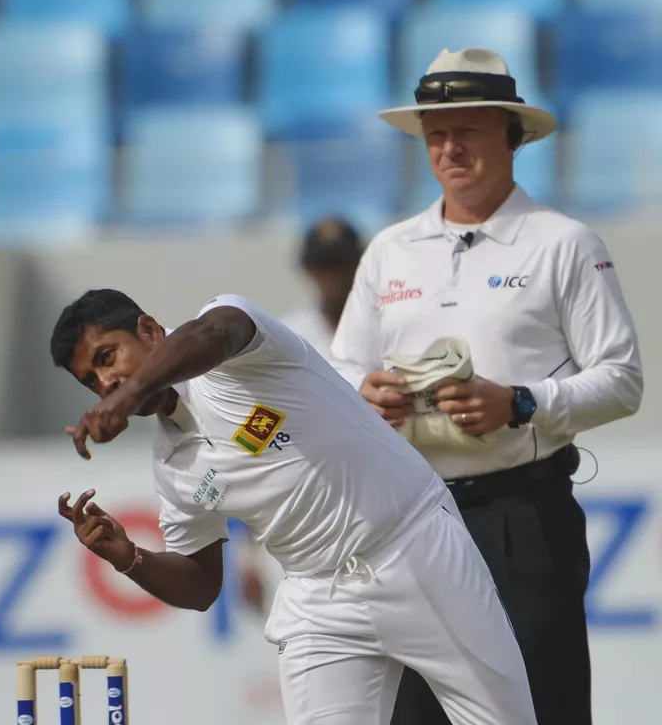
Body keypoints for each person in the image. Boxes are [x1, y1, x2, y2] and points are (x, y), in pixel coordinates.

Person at [50, 289, 538, 725]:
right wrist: (128, 557)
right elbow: (201, 585)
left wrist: (129, 392)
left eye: (108, 356)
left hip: (413, 547)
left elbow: (217, 332)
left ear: (150, 330)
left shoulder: (228, 342)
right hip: (317, 601)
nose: (107, 381)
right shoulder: (173, 465)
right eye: (92, 380)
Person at [331, 47, 644, 725]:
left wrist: (523, 402)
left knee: (541, 703)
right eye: (436, 134)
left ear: (511, 135)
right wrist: (366, 393)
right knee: (417, 712)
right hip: (411, 516)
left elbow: (622, 380)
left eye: (467, 130)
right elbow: (342, 367)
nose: (449, 148)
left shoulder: (561, 242)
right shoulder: (391, 248)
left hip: (521, 512)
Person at [280, 217, 364, 361]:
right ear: (309, 269)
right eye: (323, 265)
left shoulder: (382, 328)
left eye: (340, 264)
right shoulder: (290, 336)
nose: (332, 275)